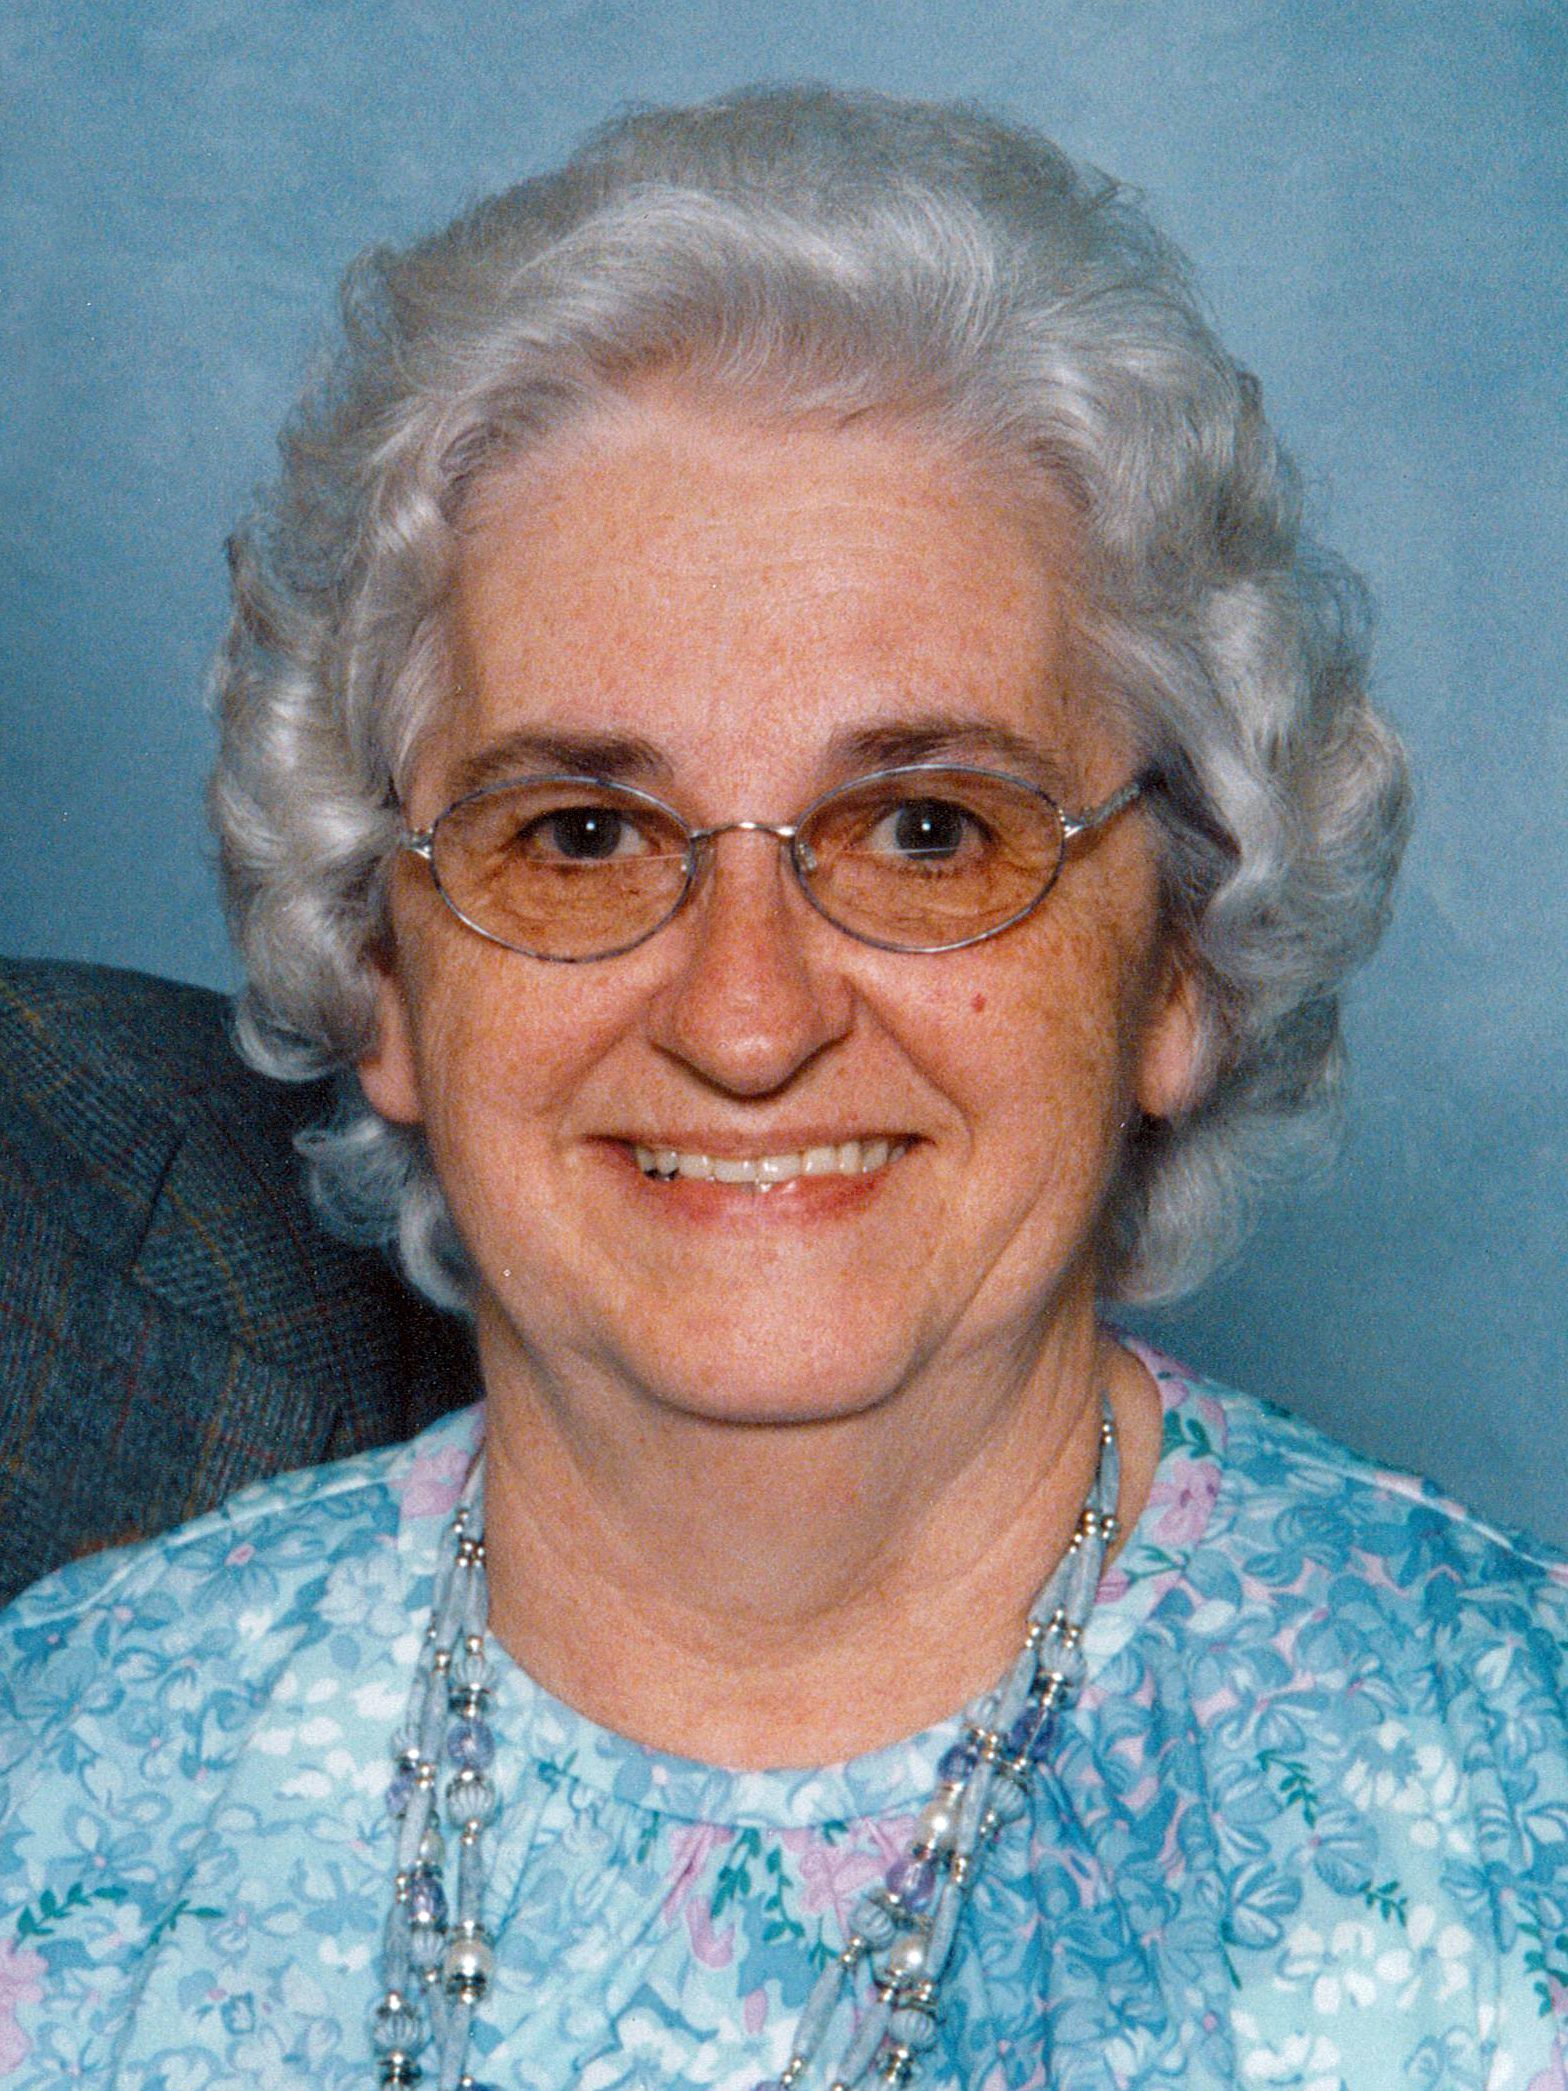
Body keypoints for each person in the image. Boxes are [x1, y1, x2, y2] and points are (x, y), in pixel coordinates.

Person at [1, 84, 1564, 2091]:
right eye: (578, 835)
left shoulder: (1515, 1815)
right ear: (379, 966)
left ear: (1181, 959)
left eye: (928, 830)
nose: (747, 1020)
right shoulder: (64, 1781)